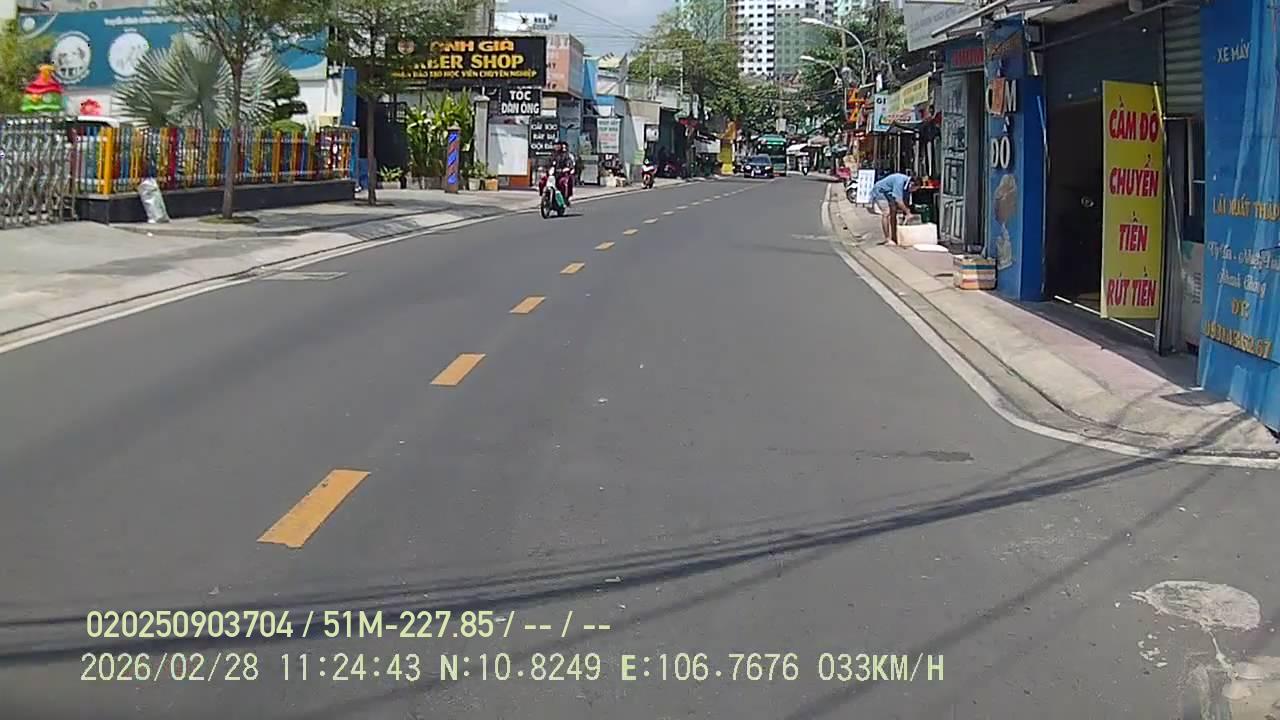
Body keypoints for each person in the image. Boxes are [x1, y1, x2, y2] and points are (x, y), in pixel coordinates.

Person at [870, 171, 918, 245]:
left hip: (889, 193)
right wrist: (908, 212)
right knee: (886, 212)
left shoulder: (907, 186)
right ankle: (887, 239)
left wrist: (906, 212)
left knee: (894, 212)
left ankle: (894, 237)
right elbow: (898, 200)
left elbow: (905, 201)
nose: (913, 191)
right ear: (912, 184)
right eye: (914, 189)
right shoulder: (900, 181)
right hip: (880, 191)